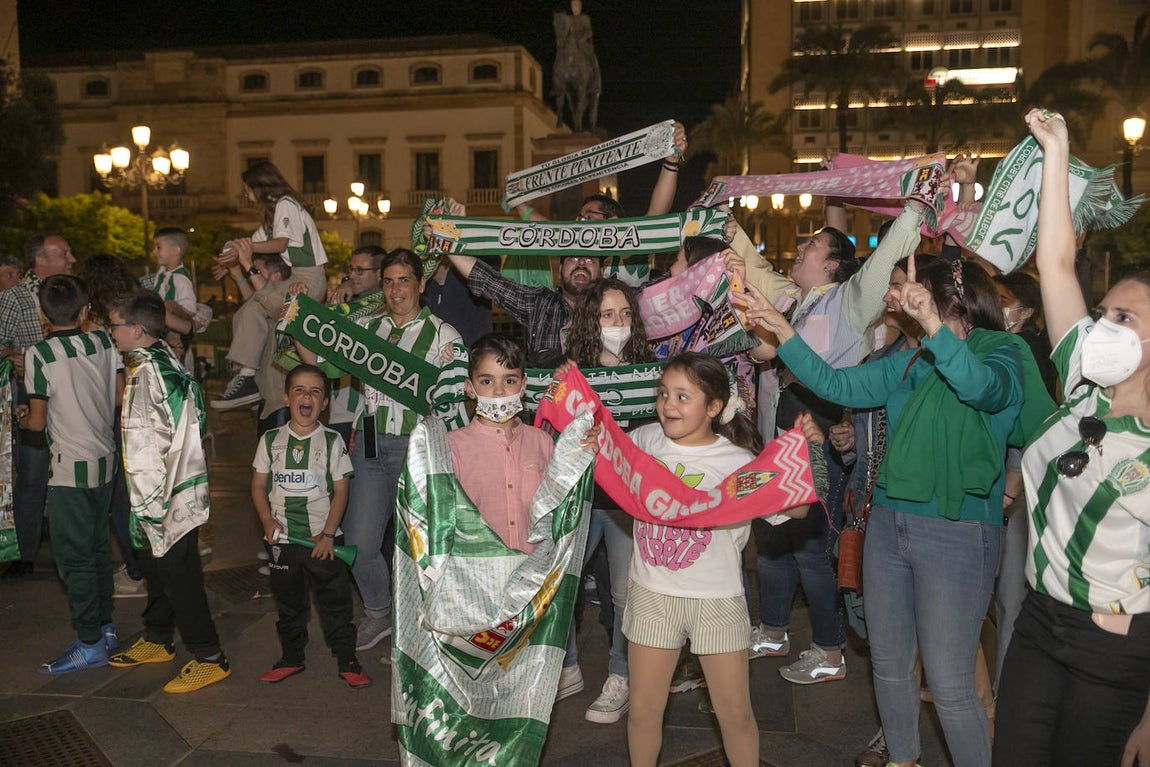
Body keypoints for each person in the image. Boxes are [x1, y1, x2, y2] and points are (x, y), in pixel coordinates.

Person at [741, 251, 1053, 767]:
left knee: (951, 683)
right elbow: (838, 385)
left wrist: (933, 324)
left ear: (944, 297)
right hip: (887, 526)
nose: (894, 297)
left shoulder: (1003, 349)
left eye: (908, 288)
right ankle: (902, 759)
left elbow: (983, 389)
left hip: (957, 532)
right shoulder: (908, 360)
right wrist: (780, 327)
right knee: (887, 666)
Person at [993, 108, 1150, 767]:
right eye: (1104, 310)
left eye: (1124, 317)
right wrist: (1055, 149)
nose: (1103, 324)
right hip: (1038, 623)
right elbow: (1055, 263)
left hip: (1112, 651)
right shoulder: (1085, 379)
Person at [732, 198, 929, 686]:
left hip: (822, 434)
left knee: (814, 550)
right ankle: (774, 630)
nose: (800, 247)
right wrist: (722, 222)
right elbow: (755, 268)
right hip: (783, 437)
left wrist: (912, 211)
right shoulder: (798, 300)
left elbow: (882, 262)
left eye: (813, 243)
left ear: (835, 264)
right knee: (774, 536)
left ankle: (828, 648)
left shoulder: (849, 300)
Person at [625, 352, 814, 767]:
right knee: (642, 710)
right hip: (652, 593)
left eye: (682, 396)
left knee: (734, 713)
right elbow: (604, 459)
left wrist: (806, 456)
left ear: (713, 407)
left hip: (718, 601)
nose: (668, 405)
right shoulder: (642, 442)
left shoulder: (736, 462)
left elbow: (795, 510)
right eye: (662, 394)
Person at [291, 248, 467, 653]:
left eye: (404, 279)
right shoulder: (366, 328)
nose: (395, 289)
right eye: (388, 281)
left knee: (416, 548)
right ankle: (378, 612)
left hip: (417, 450)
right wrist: (297, 316)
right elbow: (319, 361)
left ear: (421, 285)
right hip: (368, 447)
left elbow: (458, 399)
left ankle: (420, 631)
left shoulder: (445, 336)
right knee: (361, 545)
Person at [105, 291, 230, 694]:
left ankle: (210, 656)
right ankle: (158, 637)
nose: (111, 332)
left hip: (168, 494)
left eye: (115, 325)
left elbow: (183, 439)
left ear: (137, 329)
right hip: (147, 492)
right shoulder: (145, 365)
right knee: (156, 568)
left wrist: (160, 501)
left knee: (181, 575)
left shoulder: (160, 372)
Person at [560, 277, 656, 724]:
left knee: (622, 592)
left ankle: (621, 674)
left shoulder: (651, 371)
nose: (617, 323)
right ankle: (566, 667)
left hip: (624, 500)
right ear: (590, 322)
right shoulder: (572, 373)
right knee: (564, 586)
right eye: (606, 315)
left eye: (623, 314)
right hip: (580, 493)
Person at [18, 275, 122, 673]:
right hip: (105, 461)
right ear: (84, 311)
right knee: (97, 550)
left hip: (69, 472)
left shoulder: (40, 355)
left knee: (75, 560)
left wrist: (23, 417)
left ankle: (90, 642)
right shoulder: (104, 342)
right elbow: (116, 397)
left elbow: (38, 423)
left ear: (44, 315)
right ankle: (105, 626)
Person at [251, 364, 369, 688]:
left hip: (323, 541)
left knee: (335, 603)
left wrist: (329, 535)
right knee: (288, 603)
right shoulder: (271, 439)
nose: (307, 397)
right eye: (300, 390)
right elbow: (259, 485)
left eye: (316, 392)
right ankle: (291, 657)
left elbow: (342, 490)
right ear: (286, 397)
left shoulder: (332, 441)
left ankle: (347, 658)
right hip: (283, 541)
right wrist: (266, 519)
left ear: (325, 403)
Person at [211, 161, 328, 411]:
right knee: (251, 308)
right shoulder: (275, 213)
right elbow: (253, 242)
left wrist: (245, 250)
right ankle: (247, 373)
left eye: (247, 189)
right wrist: (231, 256)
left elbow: (280, 244)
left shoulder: (285, 203)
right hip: (296, 277)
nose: (246, 195)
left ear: (258, 186)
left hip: (308, 278)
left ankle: (248, 377)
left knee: (260, 306)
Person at [441, 197, 609, 367]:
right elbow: (488, 280)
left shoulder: (616, 305)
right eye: (572, 258)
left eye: (589, 259)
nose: (581, 264)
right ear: (559, 270)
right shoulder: (541, 304)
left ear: (602, 271)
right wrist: (451, 236)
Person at [0, 233, 76, 579]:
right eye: (64, 254)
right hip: (30, 395)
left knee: (68, 472)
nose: (72, 259)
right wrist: (16, 357)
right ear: (40, 260)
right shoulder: (15, 296)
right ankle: (25, 553)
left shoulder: (70, 291)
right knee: (32, 473)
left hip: (71, 395)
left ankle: (69, 548)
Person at [78, 253, 146, 597]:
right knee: (138, 495)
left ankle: (137, 571)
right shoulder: (133, 311)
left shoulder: (93, 324)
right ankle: (143, 565)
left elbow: (115, 391)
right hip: (143, 413)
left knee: (119, 499)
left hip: (113, 418)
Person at [212, 252, 293, 430]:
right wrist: (236, 272)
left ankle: (246, 376)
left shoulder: (285, 301)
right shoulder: (262, 304)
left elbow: (260, 302)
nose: (252, 276)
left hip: (280, 396)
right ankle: (245, 378)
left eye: (256, 272)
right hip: (264, 390)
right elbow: (253, 299)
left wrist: (245, 265)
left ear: (276, 276)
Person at [149, 227, 197, 339]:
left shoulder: (180, 279)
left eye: (158, 247)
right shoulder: (162, 271)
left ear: (175, 250)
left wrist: (170, 307)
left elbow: (189, 310)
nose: (154, 251)